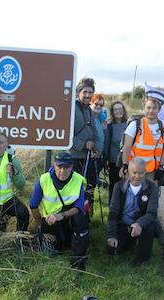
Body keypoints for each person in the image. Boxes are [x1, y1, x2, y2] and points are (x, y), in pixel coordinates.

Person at [29, 152, 89, 271]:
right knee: (51, 250)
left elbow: (78, 208)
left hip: (69, 217)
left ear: (71, 167)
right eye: (59, 167)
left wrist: (62, 215)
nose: (62, 171)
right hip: (50, 219)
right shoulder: (44, 179)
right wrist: (40, 223)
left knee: (80, 219)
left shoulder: (78, 180)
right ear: (54, 166)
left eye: (66, 167)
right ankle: (50, 238)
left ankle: (78, 258)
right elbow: (33, 205)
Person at [107, 158, 158, 266]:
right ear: (128, 172)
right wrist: (111, 235)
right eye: (134, 172)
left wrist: (139, 224)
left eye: (141, 173)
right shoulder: (118, 187)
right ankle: (129, 243)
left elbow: (152, 213)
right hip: (123, 224)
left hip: (140, 225)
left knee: (150, 226)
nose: (137, 176)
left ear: (146, 172)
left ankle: (143, 259)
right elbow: (113, 212)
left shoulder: (152, 188)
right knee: (113, 251)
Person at [119, 95, 164, 182]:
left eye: (154, 108)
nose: (151, 110)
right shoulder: (135, 125)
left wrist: (162, 167)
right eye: (148, 107)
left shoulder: (163, 126)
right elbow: (127, 147)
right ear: (144, 109)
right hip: (135, 170)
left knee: (151, 195)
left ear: (159, 110)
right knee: (133, 194)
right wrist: (125, 165)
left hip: (153, 171)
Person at [71, 77, 98, 216]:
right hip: (74, 158)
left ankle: (86, 217)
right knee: (75, 191)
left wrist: (95, 148)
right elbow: (64, 134)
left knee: (90, 188)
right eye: (85, 92)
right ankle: (75, 218)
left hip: (88, 157)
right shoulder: (70, 109)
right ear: (78, 92)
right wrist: (83, 144)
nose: (88, 95)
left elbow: (93, 131)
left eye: (90, 92)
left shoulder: (89, 110)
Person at [105, 100, 128, 201]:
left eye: (120, 109)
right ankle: (113, 211)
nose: (118, 111)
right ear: (112, 112)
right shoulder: (110, 126)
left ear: (123, 110)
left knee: (127, 188)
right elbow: (107, 145)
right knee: (114, 188)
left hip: (128, 162)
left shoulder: (129, 124)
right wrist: (105, 162)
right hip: (115, 163)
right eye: (115, 110)